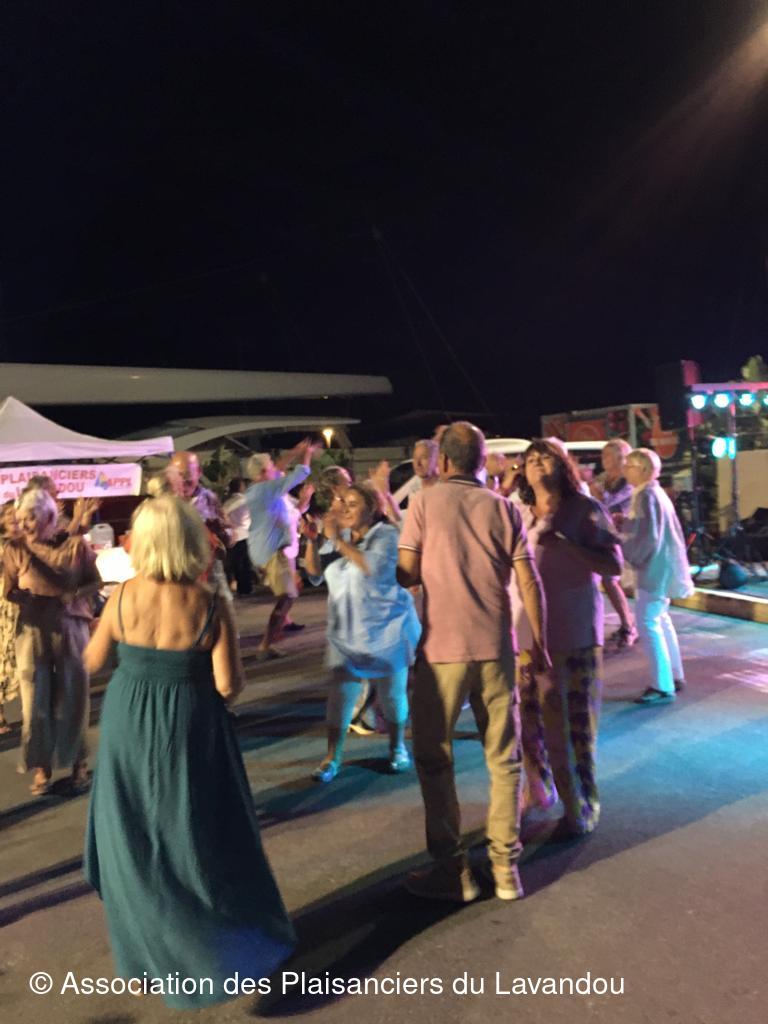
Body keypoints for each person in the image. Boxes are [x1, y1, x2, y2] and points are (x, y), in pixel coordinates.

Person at [83, 496, 294, 1009]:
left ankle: (141, 960)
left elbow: (90, 662)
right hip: (189, 722)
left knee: (131, 835)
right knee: (195, 833)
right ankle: (214, 951)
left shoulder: (123, 594)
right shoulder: (209, 603)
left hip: (128, 719)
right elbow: (228, 684)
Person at [397, 422, 549, 903]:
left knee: (434, 757)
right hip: (496, 648)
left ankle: (453, 870)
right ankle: (506, 868)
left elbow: (406, 573)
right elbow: (529, 582)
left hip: (441, 651)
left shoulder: (423, 503)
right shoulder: (504, 508)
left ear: (443, 461)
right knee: (504, 759)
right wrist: (539, 643)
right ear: (483, 462)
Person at [513, 439, 622, 837]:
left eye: (546, 457)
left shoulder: (584, 509)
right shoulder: (519, 512)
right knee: (527, 724)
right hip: (526, 638)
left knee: (574, 729)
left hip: (573, 635)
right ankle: (538, 791)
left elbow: (613, 565)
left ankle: (580, 808)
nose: (537, 463)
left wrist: (567, 545)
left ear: (562, 465)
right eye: (530, 459)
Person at [304, 483, 420, 781]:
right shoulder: (340, 537)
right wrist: (313, 541)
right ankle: (332, 757)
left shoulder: (387, 535)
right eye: (343, 503)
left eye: (353, 504)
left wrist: (336, 540)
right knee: (340, 695)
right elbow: (314, 575)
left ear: (372, 509)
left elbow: (371, 567)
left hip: (386, 629)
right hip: (346, 630)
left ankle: (397, 748)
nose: (344, 509)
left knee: (391, 694)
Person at [3, 488, 102, 795]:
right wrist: (21, 596)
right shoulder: (15, 548)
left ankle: (77, 764)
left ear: (49, 517)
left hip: (71, 627)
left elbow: (95, 582)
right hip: (33, 631)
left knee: (74, 698)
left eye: (30, 518)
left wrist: (75, 594)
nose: (24, 525)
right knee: (35, 702)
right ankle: (41, 767)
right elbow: (7, 590)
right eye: (21, 519)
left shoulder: (75, 546)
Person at [619, 448, 693, 705]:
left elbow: (645, 536)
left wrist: (628, 552)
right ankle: (674, 675)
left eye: (628, 465)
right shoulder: (653, 493)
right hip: (662, 566)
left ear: (642, 470)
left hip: (652, 568)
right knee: (660, 619)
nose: (624, 470)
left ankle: (662, 685)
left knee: (648, 622)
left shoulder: (645, 495)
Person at [245, 440, 318, 659]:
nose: (275, 470)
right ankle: (265, 645)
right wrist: (306, 454)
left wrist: (294, 451)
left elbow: (279, 469)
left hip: (271, 550)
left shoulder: (261, 490)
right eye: (270, 467)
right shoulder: (265, 490)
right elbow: (301, 473)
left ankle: (271, 638)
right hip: (273, 552)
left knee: (289, 594)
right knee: (287, 596)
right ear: (263, 472)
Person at [591, 439, 638, 647]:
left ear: (621, 457)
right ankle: (627, 623)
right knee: (608, 580)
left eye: (608, 455)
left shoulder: (628, 480)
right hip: (605, 535)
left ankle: (629, 625)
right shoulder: (603, 478)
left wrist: (596, 493)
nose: (603, 459)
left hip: (624, 537)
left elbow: (609, 504)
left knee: (612, 580)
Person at [170, 451, 232, 603]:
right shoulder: (165, 503)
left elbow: (230, 535)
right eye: (178, 474)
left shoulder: (210, 499)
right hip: (178, 580)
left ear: (198, 472)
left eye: (187, 474)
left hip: (211, 579)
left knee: (222, 612)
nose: (183, 480)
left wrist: (221, 533)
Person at [0, 501, 20, 733]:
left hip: (23, 606)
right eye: (9, 515)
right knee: (3, 656)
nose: (14, 518)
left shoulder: (28, 542)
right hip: (3, 606)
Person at [223, 476, 253, 596]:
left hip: (232, 536)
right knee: (244, 563)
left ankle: (241, 587)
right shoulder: (242, 500)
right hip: (243, 534)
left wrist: (229, 526)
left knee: (237, 563)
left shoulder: (229, 501)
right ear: (241, 487)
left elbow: (222, 513)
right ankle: (245, 588)